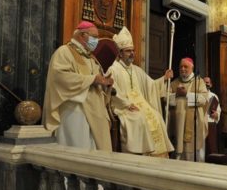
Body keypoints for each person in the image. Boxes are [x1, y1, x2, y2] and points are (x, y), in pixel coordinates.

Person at [42, 20, 114, 151]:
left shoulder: (91, 58)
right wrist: (93, 79)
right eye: (95, 37)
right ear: (82, 35)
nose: (97, 41)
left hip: (94, 109)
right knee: (79, 149)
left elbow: (97, 81)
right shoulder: (64, 52)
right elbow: (59, 77)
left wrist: (105, 83)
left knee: (93, 149)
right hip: (75, 109)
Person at [106, 27, 174, 157]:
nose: (132, 53)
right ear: (120, 53)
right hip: (124, 107)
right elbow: (113, 91)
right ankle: (141, 155)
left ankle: (158, 156)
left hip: (140, 104)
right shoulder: (113, 69)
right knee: (140, 118)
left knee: (157, 117)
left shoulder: (136, 70)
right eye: (128, 51)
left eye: (133, 51)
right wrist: (126, 104)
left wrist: (164, 79)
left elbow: (151, 85)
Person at [169, 58, 209, 161]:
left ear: (192, 68)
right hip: (178, 125)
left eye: (185, 67)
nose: (182, 69)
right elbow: (166, 98)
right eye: (181, 67)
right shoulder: (174, 83)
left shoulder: (199, 82)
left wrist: (186, 94)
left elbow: (204, 99)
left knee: (193, 155)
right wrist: (176, 95)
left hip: (193, 125)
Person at [202, 77, 221, 162]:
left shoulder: (214, 96)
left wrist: (216, 114)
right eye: (204, 82)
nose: (206, 84)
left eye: (208, 82)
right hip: (201, 124)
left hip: (210, 123)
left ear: (211, 84)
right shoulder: (198, 95)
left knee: (211, 146)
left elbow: (218, 110)